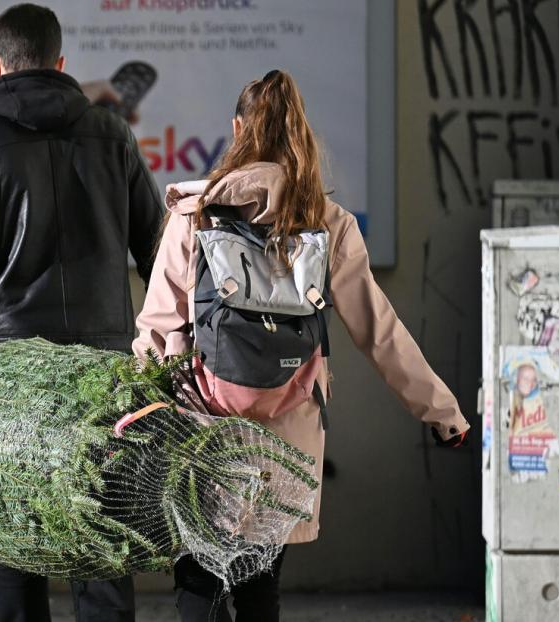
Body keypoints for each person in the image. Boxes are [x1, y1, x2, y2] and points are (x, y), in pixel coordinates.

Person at [133, 70, 470, 621]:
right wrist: (444, 413)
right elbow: (379, 333)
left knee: (198, 583)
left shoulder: (195, 216)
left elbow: (156, 326)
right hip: (285, 440)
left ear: (237, 129)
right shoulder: (327, 223)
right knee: (260, 586)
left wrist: (146, 412)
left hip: (203, 427)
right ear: (300, 135)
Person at [0, 4, 163, 621]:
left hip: (11, 383)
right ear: (61, 63)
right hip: (106, 380)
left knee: (15, 543)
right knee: (100, 546)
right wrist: (171, 361)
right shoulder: (112, 136)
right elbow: (162, 259)